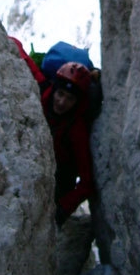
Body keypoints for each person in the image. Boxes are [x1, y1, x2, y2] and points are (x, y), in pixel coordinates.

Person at [10, 37, 97, 226]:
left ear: (78, 103)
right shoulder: (42, 89)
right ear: (54, 88)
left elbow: (86, 182)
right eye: (60, 94)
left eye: (69, 99)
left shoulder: (76, 130)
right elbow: (23, 57)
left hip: (59, 181)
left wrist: (62, 209)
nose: (62, 102)